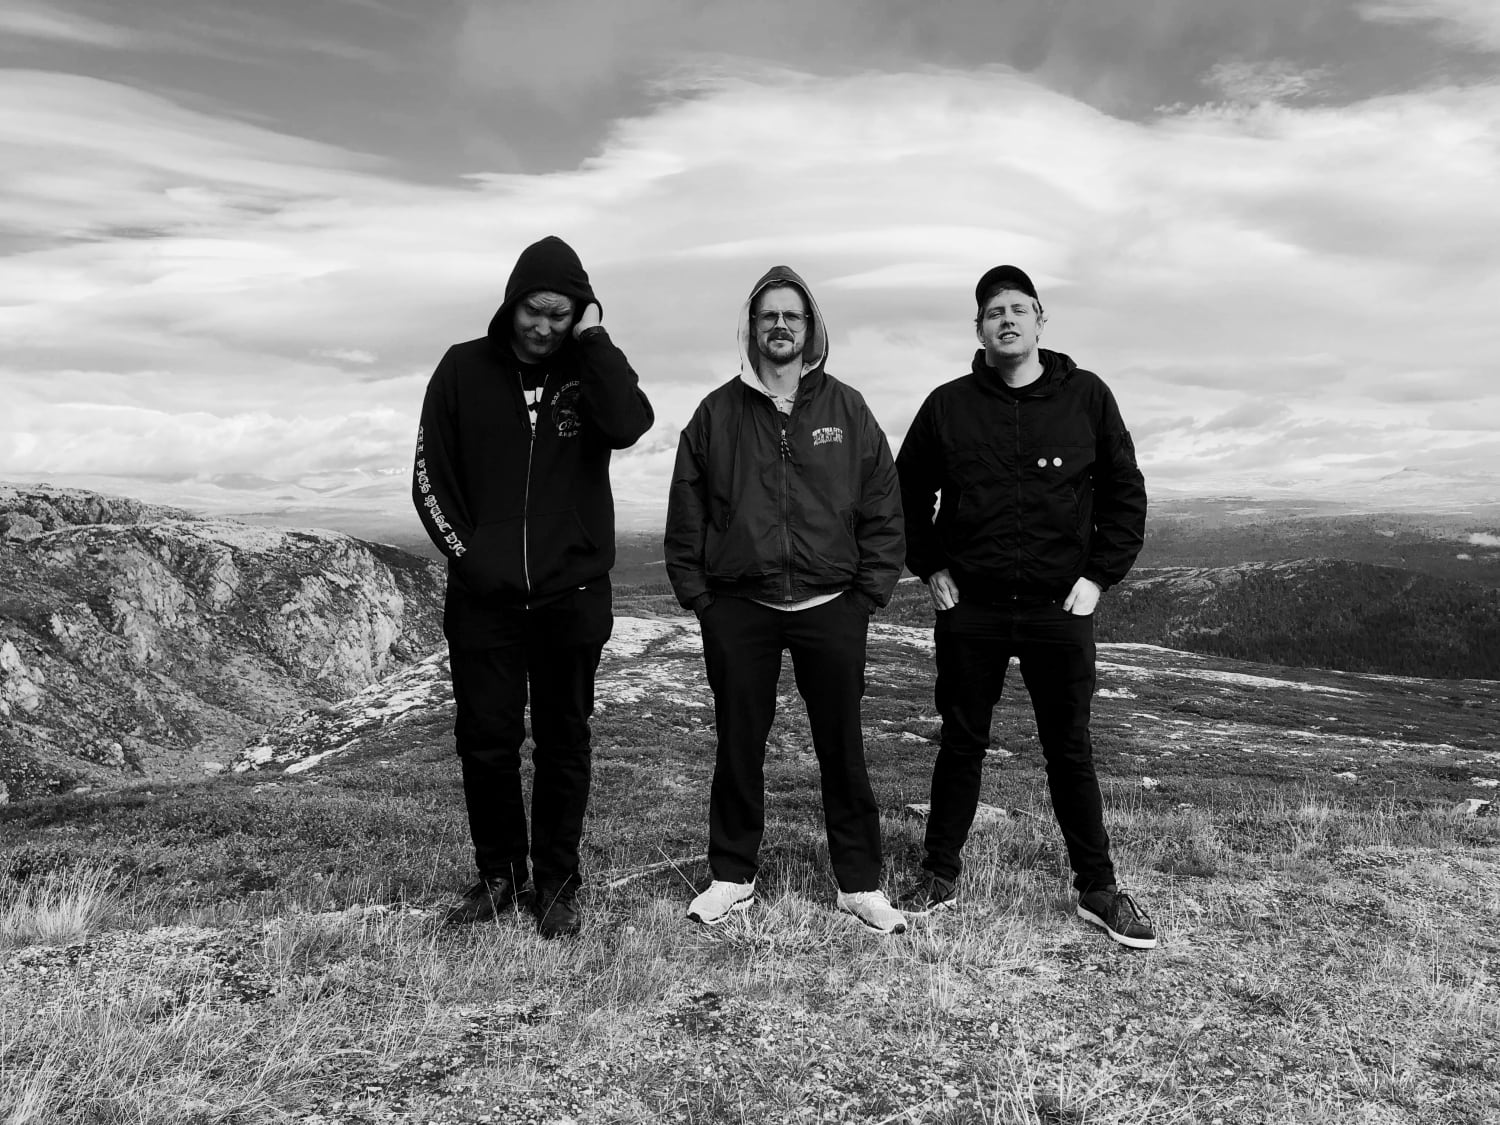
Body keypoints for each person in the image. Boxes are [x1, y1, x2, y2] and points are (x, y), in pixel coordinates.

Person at [894, 264, 1156, 949]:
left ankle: (1098, 888)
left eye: (1018, 308)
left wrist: (1098, 577)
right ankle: (938, 876)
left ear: (1041, 319)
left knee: (1069, 749)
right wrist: (930, 566)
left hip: (1057, 609)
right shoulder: (948, 405)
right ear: (979, 328)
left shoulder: (1087, 396)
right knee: (960, 743)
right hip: (972, 608)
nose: (1006, 319)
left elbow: (1125, 494)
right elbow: (904, 492)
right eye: (993, 311)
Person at [412, 235, 653, 938]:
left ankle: (555, 883)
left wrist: (595, 340)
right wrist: (473, 559)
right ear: (511, 302)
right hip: (482, 599)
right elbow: (429, 481)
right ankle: (498, 876)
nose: (544, 327)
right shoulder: (461, 368)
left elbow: (631, 422)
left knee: (563, 741)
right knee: (485, 740)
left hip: (571, 596)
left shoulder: (589, 370)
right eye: (533, 310)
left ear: (580, 314)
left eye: (561, 314)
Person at [664, 265, 907, 935]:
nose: (780, 325)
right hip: (740, 608)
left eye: (791, 316)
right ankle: (732, 876)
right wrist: (702, 600)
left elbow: (884, 502)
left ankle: (859, 883)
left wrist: (867, 595)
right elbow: (686, 508)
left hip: (832, 604)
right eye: (768, 315)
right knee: (739, 745)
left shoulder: (846, 408)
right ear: (752, 328)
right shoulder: (716, 413)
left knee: (843, 747)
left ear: (810, 328)